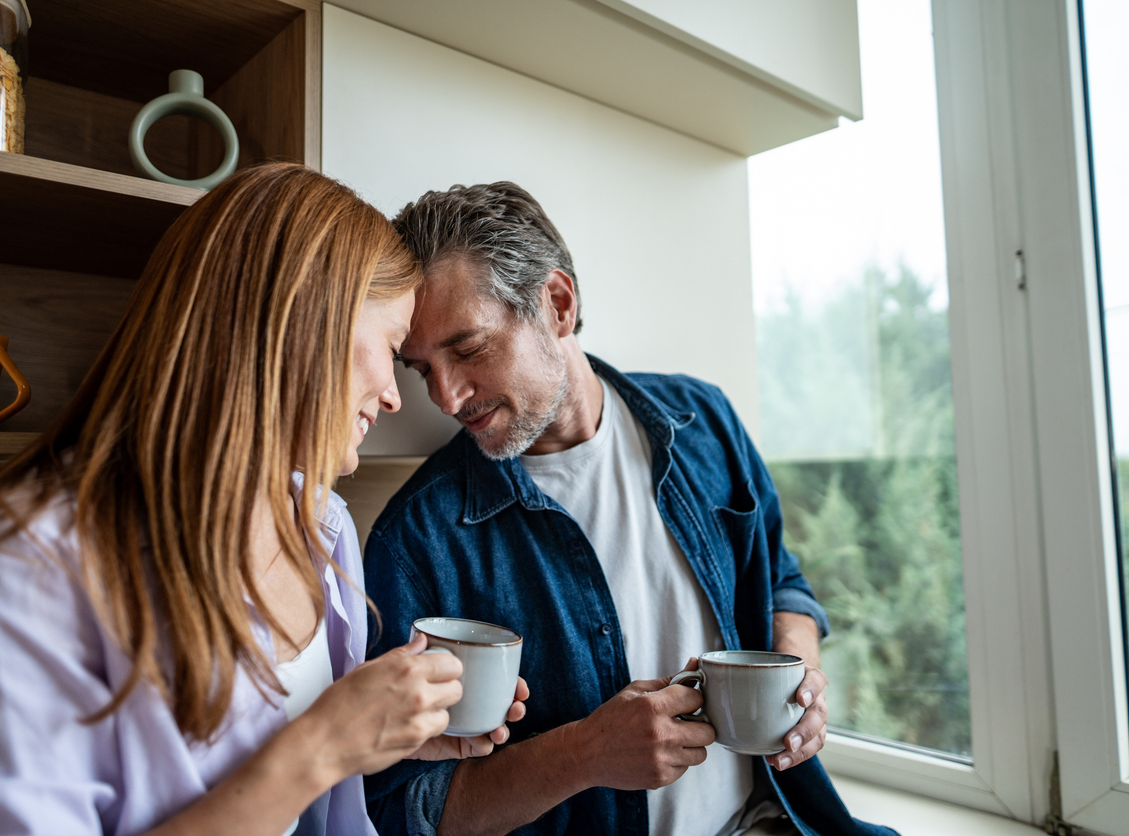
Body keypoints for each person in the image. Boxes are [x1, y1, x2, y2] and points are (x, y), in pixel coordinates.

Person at [0, 164, 524, 836]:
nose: (395, 397)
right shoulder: (17, 569)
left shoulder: (320, 529)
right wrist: (321, 747)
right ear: (296, 322)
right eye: (393, 350)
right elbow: (296, 760)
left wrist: (376, 738)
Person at [363, 182, 897, 836]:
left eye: (468, 349)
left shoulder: (704, 420)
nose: (445, 397)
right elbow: (401, 811)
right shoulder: (416, 538)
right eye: (420, 370)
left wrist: (799, 673)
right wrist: (581, 754)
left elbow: (781, 580)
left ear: (556, 304)